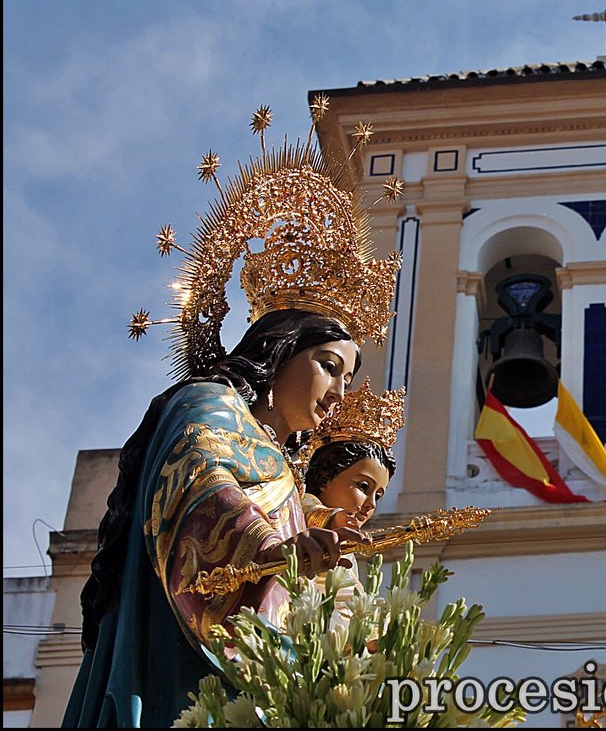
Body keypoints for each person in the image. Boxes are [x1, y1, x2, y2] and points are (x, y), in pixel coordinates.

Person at [62, 104, 400, 727]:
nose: (338, 391)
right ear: (279, 352)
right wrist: (282, 550)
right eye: (329, 365)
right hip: (182, 672)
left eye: (348, 376)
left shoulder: (289, 473)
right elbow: (200, 493)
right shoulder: (207, 406)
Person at [299, 378, 405, 625]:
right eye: (363, 487)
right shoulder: (295, 505)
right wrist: (331, 517)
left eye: (378, 496)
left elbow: (349, 598)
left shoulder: (349, 552)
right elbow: (306, 508)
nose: (371, 505)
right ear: (325, 477)